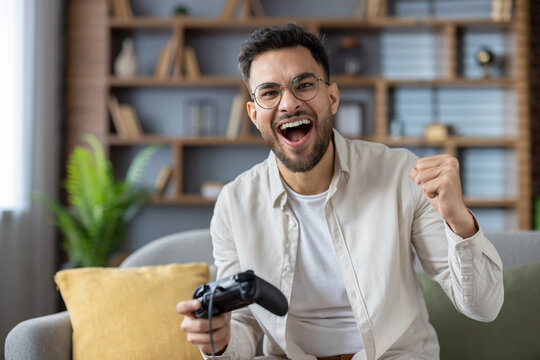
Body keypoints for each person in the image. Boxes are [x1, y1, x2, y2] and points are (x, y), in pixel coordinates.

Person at [177, 23, 504, 360]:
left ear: (332, 97)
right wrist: (221, 338)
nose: (288, 103)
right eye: (270, 92)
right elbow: (243, 324)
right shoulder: (234, 204)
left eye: (304, 85)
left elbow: (484, 307)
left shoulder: (401, 175)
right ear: (254, 113)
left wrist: (457, 219)